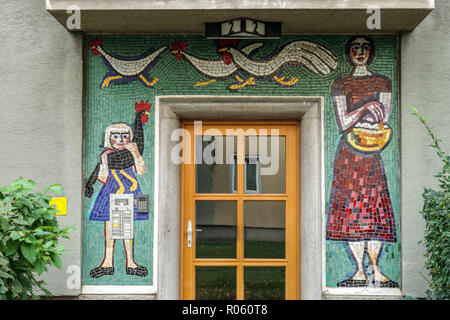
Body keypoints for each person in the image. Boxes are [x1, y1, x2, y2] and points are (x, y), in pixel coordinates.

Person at [326, 37, 398, 288]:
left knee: (375, 208)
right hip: (349, 153)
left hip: (372, 151)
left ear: (371, 52)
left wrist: (368, 114)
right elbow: (343, 122)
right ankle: (358, 270)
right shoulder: (341, 83)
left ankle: (376, 269)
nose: (360, 52)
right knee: (351, 210)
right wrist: (366, 106)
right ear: (348, 52)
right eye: (355, 48)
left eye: (365, 47)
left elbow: (383, 118)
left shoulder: (383, 82)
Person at [85, 100, 151, 278]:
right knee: (111, 229)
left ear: (129, 137)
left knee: (127, 229)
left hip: (130, 193)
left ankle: (130, 262)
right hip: (112, 193)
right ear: (109, 138)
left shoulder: (132, 151)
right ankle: (107, 262)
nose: (121, 140)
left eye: (124, 136)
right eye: (116, 136)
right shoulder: (107, 155)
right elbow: (102, 177)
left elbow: (141, 170)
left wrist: (136, 152)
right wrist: (102, 165)